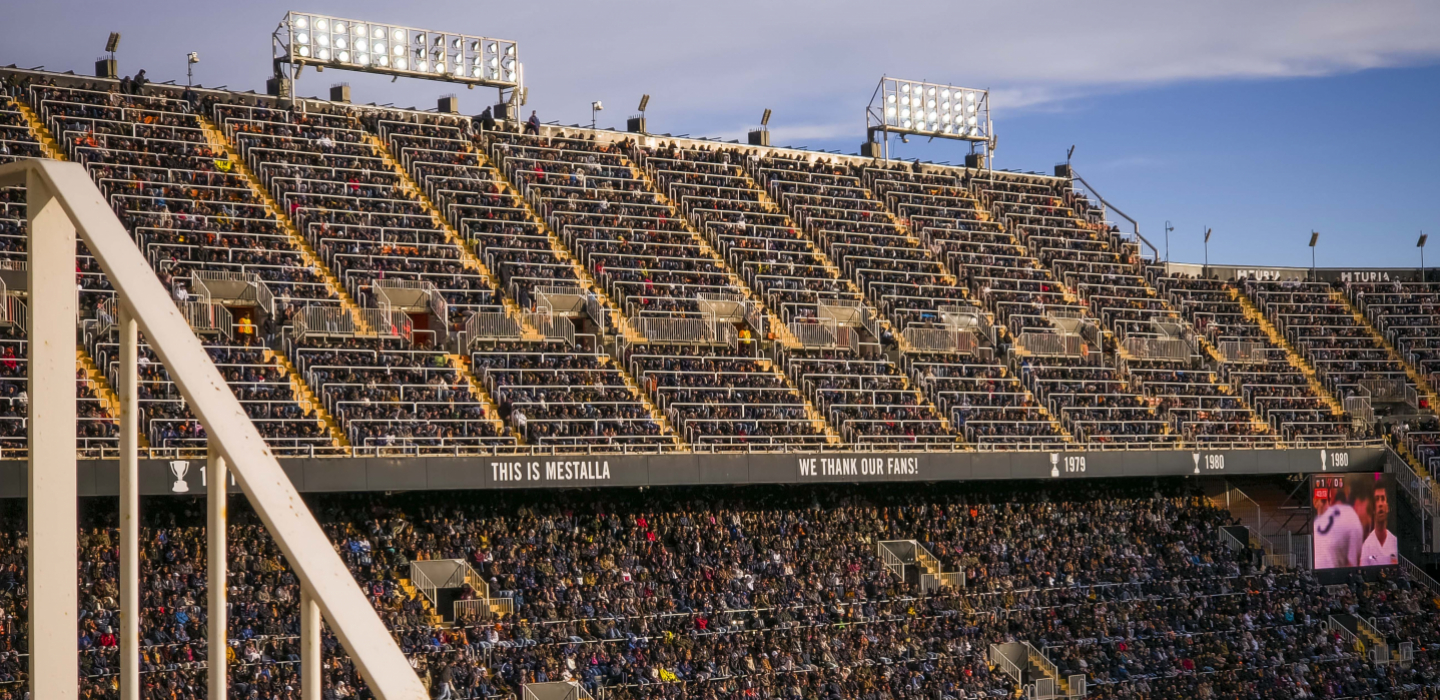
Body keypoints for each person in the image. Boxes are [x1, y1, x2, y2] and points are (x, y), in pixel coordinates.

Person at [1314, 479, 1367, 569]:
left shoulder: (1323, 516)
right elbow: (1352, 566)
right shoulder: (1352, 516)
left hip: (1313, 567)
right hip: (1329, 572)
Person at [1361, 484, 1398, 566]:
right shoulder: (1367, 547)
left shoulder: (1395, 543)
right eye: (1377, 499)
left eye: (1383, 499)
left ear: (1387, 507)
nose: (1380, 504)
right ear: (1373, 508)